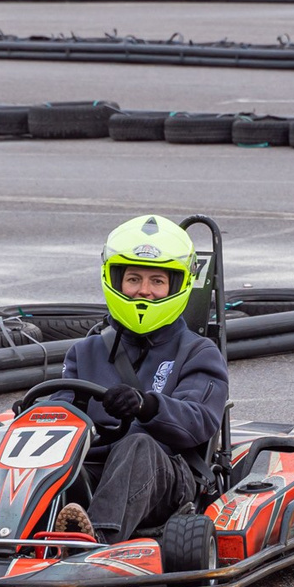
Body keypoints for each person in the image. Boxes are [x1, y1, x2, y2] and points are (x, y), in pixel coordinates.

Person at [38, 215, 231, 542]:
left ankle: (94, 543)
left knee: (137, 444)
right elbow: (64, 410)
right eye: (133, 279)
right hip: (94, 470)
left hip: (168, 477)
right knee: (36, 452)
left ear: (178, 285)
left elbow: (198, 421)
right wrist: (35, 416)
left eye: (157, 281)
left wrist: (148, 406)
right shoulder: (86, 351)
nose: (144, 291)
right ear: (115, 281)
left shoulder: (199, 352)